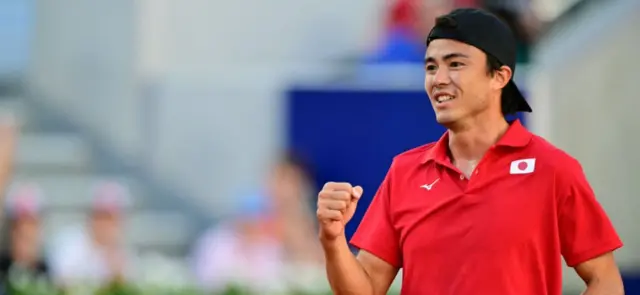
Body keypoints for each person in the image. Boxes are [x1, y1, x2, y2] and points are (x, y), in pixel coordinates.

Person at [316, 8, 624, 295]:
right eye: (431, 67)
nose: (438, 80)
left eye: (455, 64)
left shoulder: (553, 169)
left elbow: (604, 278)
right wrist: (333, 239)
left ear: (499, 77)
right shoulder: (404, 172)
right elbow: (366, 287)